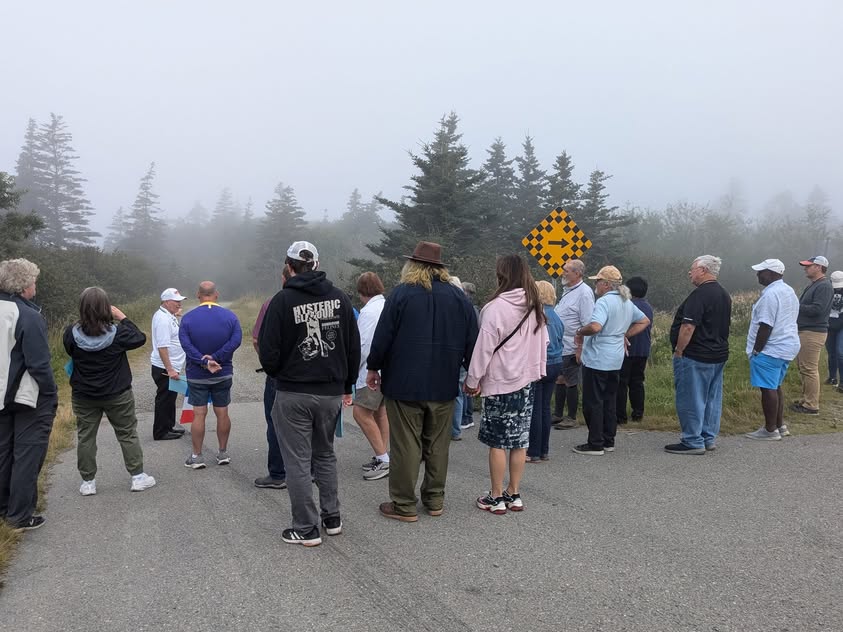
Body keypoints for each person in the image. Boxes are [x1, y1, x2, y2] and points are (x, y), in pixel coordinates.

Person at [366, 241, 478, 522]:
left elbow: (383, 335)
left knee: (406, 444)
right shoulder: (458, 298)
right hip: (444, 382)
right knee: (438, 444)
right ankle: (435, 499)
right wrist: (473, 375)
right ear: (440, 268)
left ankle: (404, 503)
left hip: (404, 383)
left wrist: (373, 367)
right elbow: (472, 340)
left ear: (412, 265)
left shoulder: (401, 294)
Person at [259, 241, 359, 547]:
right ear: (316, 264)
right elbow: (352, 347)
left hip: (294, 391)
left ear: (289, 267)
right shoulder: (340, 298)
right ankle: (332, 517)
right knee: (325, 454)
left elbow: (268, 352)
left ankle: (305, 528)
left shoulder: (282, 301)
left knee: (298, 460)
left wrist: (281, 373)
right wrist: (347, 384)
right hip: (330, 392)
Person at [467, 255, 546, 513]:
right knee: (520, 440)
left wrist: (472, 380)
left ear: (501, 275)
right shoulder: (535, 306)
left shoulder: (494, 308)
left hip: (500, 382)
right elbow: (543, 343)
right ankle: (514, 492)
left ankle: (496, 496)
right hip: (526, 382)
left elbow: (483, 348)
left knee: (497, 442)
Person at [64, 287, 156, 496]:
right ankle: (137, 477)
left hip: (84, 394)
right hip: (117, 393)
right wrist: (122, 317)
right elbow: (139, 338)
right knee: (127, 433)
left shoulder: (71, 333)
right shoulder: (119, 333)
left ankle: (88, 482)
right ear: (106, 308)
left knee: (86, 437)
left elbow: (70, 350)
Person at [0, 259, 57, 531]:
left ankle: (4, 507)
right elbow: (39, 364)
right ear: (23, 286)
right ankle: (20, 515)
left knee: (3, 452)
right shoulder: (28, 316)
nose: (36, 285)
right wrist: (51, 392)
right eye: (34, 281)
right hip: (26, 396)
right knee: (27, 454)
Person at [572, 266, 650, 456]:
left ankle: (595, 443)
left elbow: (595, 326)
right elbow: (644, 321)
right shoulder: (626, 301)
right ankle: (608, 440)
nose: (596, 285)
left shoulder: (604, 302)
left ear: (606, 284)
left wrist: (580, 331)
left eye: (598, 281)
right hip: (616, 358)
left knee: (593, 401)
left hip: (597, 358)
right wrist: (624, 334)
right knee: (609, 399)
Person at [665, 255, 732, 455]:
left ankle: (692, 440)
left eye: (692, 269)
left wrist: (679, 350)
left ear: (703, 270)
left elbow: (688, 326)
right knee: (711, 398)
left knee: (691, 398)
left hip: (696, 354)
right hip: (717, 354)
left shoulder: (700, 295)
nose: (689, 272)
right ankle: (707, 437)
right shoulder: (723, 294)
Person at [179, 281, 242, 469]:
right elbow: (236, 341)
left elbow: (186, 345)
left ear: (198, 294)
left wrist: (204, 361)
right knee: (222, 412)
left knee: (199, 414)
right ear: (216, 294)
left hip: (197, 374)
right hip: (223, 371)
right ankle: (222, 453)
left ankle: (197, 456)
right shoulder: (230, 317)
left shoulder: (188, 319)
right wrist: (216, 357)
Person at [744, 259, 800, 440]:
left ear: (773, 273)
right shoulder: (789, 291)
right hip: (787, 345)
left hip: (770, 348)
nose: (758, 274)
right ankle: (779, 425)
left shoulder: (770, 295)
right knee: (775, 386)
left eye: (762, 271)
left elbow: (766, 325)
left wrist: (756, 350)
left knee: (768, 388)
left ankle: (770, 430)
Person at [251, 267, 291, 490]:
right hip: (312, 376)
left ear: (284, 277)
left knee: (276, 422)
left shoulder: (272, 303)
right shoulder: (324, 300)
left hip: (279, 375)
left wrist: (269, 365)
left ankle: (278, 473)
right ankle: (312, 470)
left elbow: (257, 340)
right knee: (310, 423)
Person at [353, 271, 390, 481]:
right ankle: (382, 454)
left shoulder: (368, 312)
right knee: (380, 413)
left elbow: (363, 345)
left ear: (361, 291)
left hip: (370, 371)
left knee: (360, 413)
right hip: (387, 369)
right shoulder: (386, 305)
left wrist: (353, 368)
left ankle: (383, 459)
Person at [552, 259, 594, 429]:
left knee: (571, 381)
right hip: (561, 344)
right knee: (560, 379)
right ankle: (558, 414)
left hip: (573, 344)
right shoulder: (567, 291)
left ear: (577, 273)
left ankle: (571, 417)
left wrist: (580, 348)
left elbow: (587, 322)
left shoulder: (584, 293)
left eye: (567, 270)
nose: (563, 273)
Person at [526, 280, 564, 463]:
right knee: (545, 407)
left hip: (541, 363)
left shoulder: (537, 316)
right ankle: (544, 450)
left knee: (535, 407)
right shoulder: (556, 316)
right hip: (556, 363)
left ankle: (533, 450)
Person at [792, 256, 833, 414]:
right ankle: (806, 400)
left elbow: (818, 309)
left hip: (813, 332)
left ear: (819, 267)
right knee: (804, 368)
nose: (805, 268)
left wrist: (796, 306)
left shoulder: (824, 286)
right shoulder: (815, 285)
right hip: (807, 331)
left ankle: (811, 405)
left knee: (809, 369)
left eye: (809, 266)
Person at [150, 287, 187, 440]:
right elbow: (162, 347)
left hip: (171, 366)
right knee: (164, 399)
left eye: (180, 301)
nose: (179, 304)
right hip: (165, 367)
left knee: (171, 398)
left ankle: (169, 426)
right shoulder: (163, 319)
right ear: (166, 302)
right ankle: (160, 431)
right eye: (176, 301)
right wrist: (170, 369)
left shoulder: (168, 315)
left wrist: (175, 315)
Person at [616, 276, 654, 424]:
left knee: (621, 382)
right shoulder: (648, 307)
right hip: (643, 350)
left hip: (626, 349)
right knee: (637, 382)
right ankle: (638, 413)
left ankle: (620, 416)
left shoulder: (627, 305)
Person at [459, 281, 481, 430]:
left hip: (467, 350)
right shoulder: (475, 309)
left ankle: (464, 418)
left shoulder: (465, 308)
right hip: (474, 349)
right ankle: (468, 416)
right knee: (467, 385)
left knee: (463, 387)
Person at [824, 270, 843, 386]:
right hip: (829, 324)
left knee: (840, 352)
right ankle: (832, 378)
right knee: (831, 352)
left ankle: (842, 383)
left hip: (842, 325)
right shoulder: (827, 289)